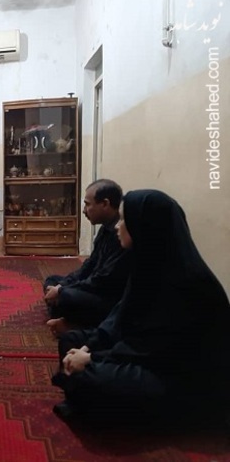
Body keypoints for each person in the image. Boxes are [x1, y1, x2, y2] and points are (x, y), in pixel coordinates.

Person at [52, 189, 230, 424]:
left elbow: (155, 350)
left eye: (124, 220)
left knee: (92, 377)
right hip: (138, 352)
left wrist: (93, 358)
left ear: (145, 226)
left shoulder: (189, 283)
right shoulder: (145, 266)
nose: (118, 226)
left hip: (176, 376)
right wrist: (88, 347)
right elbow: (117, 319)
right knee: (71, 341)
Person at [44, 179, 131, 334]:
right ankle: (67, 315)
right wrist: (61, 286)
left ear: (105, 204)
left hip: (106, 296)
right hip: (92, 287)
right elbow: (89, 265)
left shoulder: (122, 236)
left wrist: (63, 290)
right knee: (52, 281)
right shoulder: (105, 229)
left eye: (87, 204)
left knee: (66, 297)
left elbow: (104, 280)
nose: (84, 211)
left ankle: (74, 323)